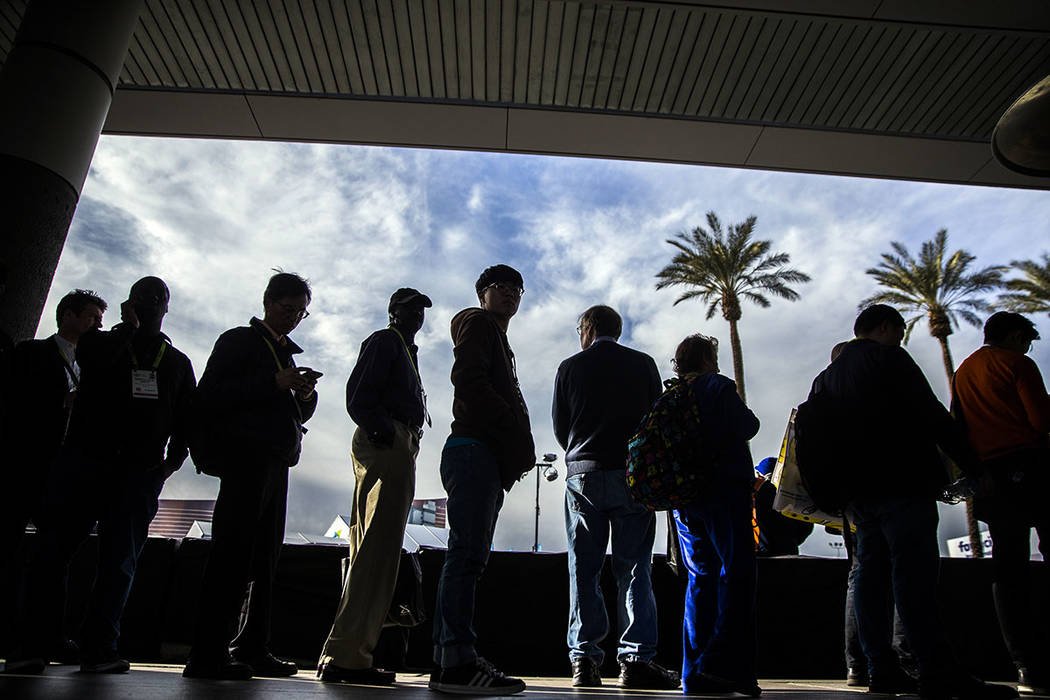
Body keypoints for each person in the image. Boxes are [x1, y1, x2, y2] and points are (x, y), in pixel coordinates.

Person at [810, 304, 1016, 700]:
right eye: (900, 329)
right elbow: (932, 414)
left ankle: (880, 669)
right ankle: (935, 668)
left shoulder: (825, 379)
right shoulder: (890, 359)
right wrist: (974, 467)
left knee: (869, 579)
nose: (902, 337)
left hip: (857, 496)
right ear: (885, 327)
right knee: (914, 577)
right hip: (902, 483)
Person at [6, 277, 195, 675]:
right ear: (131, 306)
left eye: (156, 299)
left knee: (113, 563)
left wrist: (169, 464)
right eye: (143, 299)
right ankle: (36, 646)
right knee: (55, 555)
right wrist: (128, 331)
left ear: (166, 309)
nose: (150, 304)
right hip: (83, 465)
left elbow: (186, 419)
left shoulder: (176, 362)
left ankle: (96, 648)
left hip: (132, 473)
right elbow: (94, 360)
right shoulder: (100, 344)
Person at [185, 271, 319, 680]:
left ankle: (252, 645)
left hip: (277, 462)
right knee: (232, 556)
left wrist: (303, 395)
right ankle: (207, 653)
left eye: (300, 312)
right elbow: (209, 397)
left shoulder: (285, 353)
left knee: (266, 558)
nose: (293, 318)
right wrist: (272, 382)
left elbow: (291, 411)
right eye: (286, 309)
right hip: (245, 461)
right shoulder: (237, 342)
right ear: (267, 302)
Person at [552, 305, 678, 689]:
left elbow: (561, 426)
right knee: (636, 567)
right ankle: (636, 659)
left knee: (583, 569)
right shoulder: (643, 365)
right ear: (618, 330)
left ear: (587, 328)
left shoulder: (569, 367)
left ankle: (584, 661)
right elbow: (654, 420)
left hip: (584, 476)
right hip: (632, 475)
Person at [318, 287, 433, 686]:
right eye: (408, 308)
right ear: (392, 311)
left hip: (398, 439)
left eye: (420, 310)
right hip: (388, 440)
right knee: (376, 551)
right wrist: (385, 431)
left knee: (372, 549)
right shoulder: (386, 341)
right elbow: (358, 397)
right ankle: (348, 656)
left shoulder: (405, 349)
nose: (416, 315)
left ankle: (348, 651)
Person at [429, 264, 535, 696]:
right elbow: (468, 380)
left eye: (516, 288)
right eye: (500, 287)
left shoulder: (498, 340)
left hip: (484, 456)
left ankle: (449, 659)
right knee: (467, 555)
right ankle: (455, 661)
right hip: (473, 451)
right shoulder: (477, 323)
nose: (510, 293)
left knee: (469, 556)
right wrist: (510, 423)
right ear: (482, 294)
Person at [0, 289, 106, 664]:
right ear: (68, 315)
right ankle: (12, 638)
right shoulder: (30, 353)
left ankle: (49, 636)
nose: (98, 325)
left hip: (69, 469)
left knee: (55, 556)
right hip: (29, 465)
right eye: (92, 317)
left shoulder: (96, 363)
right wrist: (59, 403)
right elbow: (13, 403)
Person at [952, 312, 1049, 696]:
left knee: (1007, 570)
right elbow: (1041, 420)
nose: (1028, 348)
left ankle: (1025, 664)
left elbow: (957, 425)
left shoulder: (964, 371)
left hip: (989, 476)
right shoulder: (1017, 364)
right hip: (1030, 466)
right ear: (1014, 336)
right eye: (1026, 340)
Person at [668, 334, 761, 697]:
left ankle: (694, 676)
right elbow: (748, 426)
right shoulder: (717, 386)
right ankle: (727, 666)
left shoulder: (673, 394)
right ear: (707, 359)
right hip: (726, 492)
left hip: (688, 500)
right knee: (738, 577)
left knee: (700, 581)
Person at [752, 457, 813, 557]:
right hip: (788, 550)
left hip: (762, 553)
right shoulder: (794, 496)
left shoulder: (758, 495)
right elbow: (805, 527)